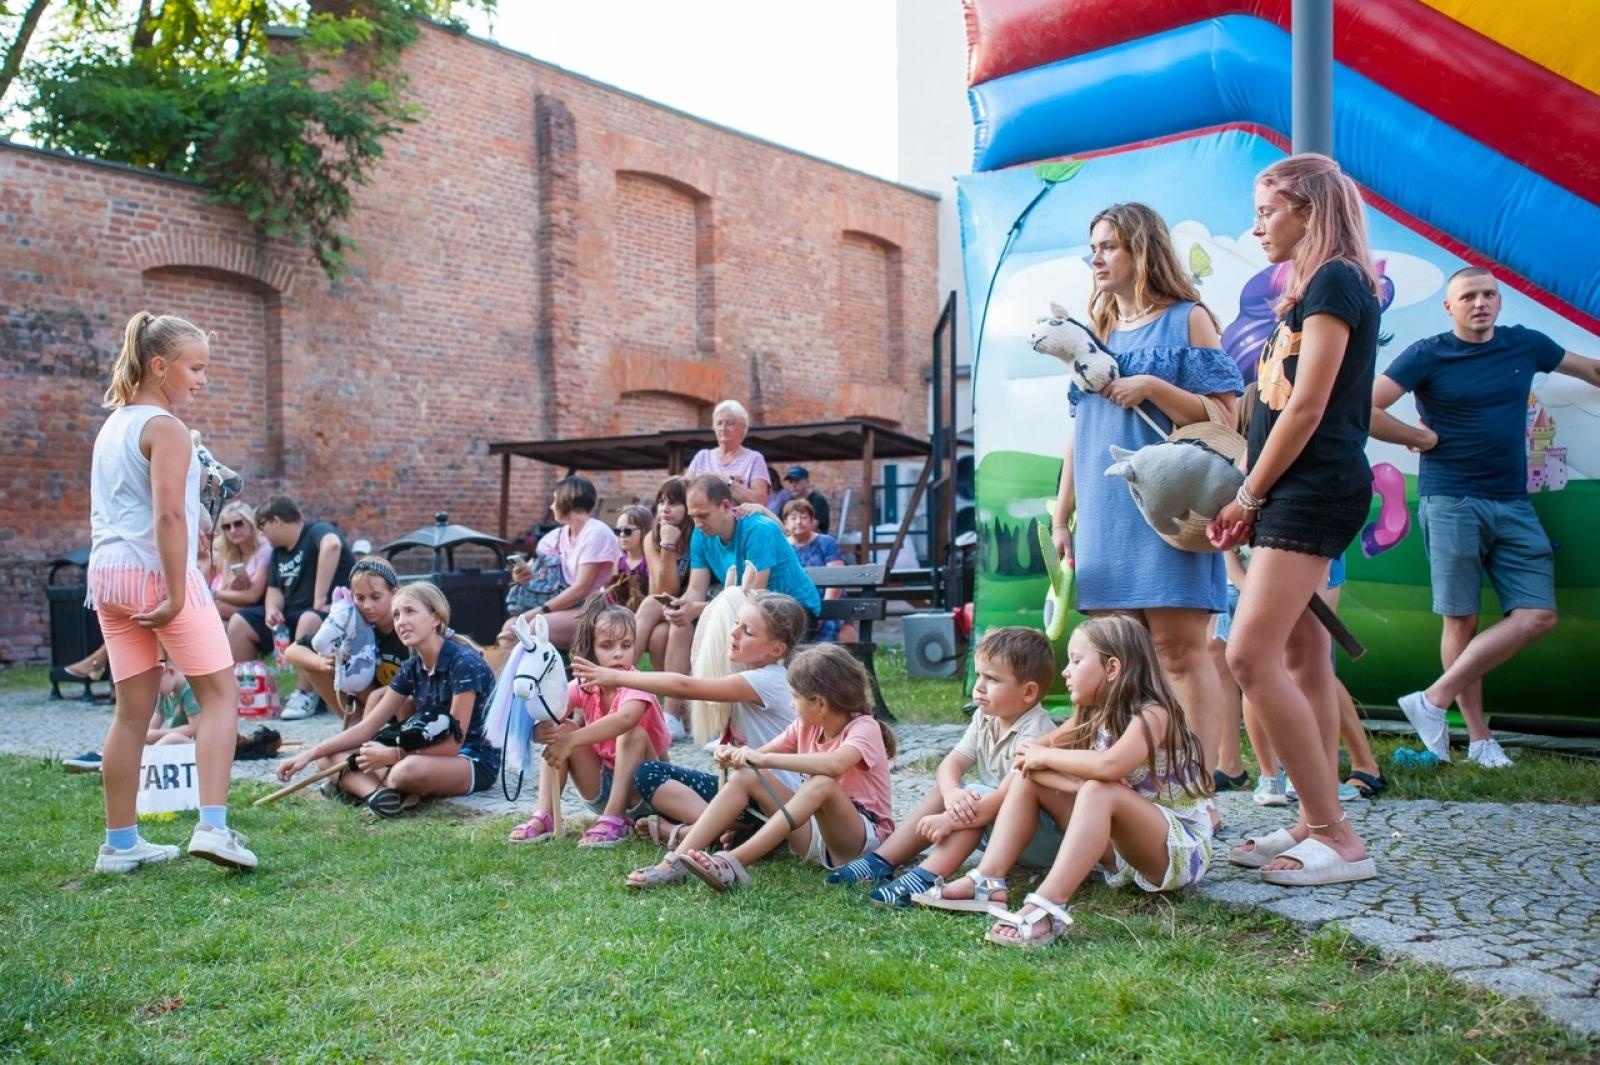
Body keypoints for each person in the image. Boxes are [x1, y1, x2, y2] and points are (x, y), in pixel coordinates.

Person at [1208, 153, 1383, 886]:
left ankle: (1338, 836)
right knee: (1303, 655)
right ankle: (1315, 820)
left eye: (1266, 211)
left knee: (1249, 656)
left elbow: (1308, 407)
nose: (1257, 228)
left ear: (1308, 210)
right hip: (1292, 491)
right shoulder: (1312, 286)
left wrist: (1249, 497)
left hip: (1312, 491)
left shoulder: (1336, 279)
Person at [1372, 266, 1600, 766]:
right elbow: (1367, 409)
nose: (1480, 303)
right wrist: (1417, 437)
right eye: (1469, 296)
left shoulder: (1526, 345)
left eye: (1489, 294)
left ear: (1499, 301)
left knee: (1537, 615)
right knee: (1462, 619)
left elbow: (1592, 371)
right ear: (1449, 307)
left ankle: (1431, 700)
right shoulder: (1427, 353)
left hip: (1514, 502)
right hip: (1450, 500)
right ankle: (1478, 740)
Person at [1048, 202, 1242, 778]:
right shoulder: (1096, 333)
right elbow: (1079, 432)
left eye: (1108, 246)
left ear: (1142, 249)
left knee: (1179, 654)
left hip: (1168, 511)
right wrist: (1062, 516)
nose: (1096, 258)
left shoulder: (1189, 319)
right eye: (1093, 247)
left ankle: (1194, 788)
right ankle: (1130, 784)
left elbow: (1225, 418)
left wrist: (1153, 386)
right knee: (1114, 659)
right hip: (1105, 516)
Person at [915, 617, 1213, 948]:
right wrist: (1072, 783)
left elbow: (1109, 765)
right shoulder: (1091, 715)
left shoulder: (1154, 715)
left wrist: (1052, 761)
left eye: (1075, 661)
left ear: (1112, 668)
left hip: (1171, 850)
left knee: (1098, 789)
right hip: (1118, 848)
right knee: (1036, 779)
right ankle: (988, 880)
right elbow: (1028, 758)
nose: (1065, 672)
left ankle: (1048, 905)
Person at [85, 311, 254, 873]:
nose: (203, 380)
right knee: (221, 696)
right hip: (155, 575)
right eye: (195, 368)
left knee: (131, 714)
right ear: (160, 366)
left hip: (108, 576)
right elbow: (167, 518)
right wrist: (179, 593)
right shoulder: (167, 428)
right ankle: (213, 828)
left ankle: (120, 844)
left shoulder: (114, 425)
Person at [627, 644, 896, 892]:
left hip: (859, 844)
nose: (791, 704)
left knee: (822, 782)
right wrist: (733, 755)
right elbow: (758, 757)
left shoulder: (865, 728)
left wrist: (765, 760)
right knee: (747, 776)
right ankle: (674, 864)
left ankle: (731, 863)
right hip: (813, 836)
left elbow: (834, 764)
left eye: (795, 697)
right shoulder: (805, 726)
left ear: (820, 704)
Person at [575, 591, 806, 877]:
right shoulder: (749, 677)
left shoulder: (767, 680)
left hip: (775, 800)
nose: (733, 633)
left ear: (776, 649)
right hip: (747, 797)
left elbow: (685, 686)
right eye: (736, 623)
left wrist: (617, 676)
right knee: (649, 773)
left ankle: (699, 831)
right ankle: (724, 827)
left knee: (669, 778)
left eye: (747, 631)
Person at [828, 627, 1058, 907]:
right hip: (994, 823)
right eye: (979, 675)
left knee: (973, 798)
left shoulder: (1037, 732)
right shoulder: (986, 717)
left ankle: (924, 877)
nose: (979, 686)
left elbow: (1004, 797)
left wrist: (950, 818)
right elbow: (952, 763)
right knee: (954, 791)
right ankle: (882, 860)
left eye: (992, 679)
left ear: (1028, 692)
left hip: (1037, 839)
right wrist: (951, 795)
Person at [274, 583, 498, 815]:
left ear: (435, 618)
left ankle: (364, 786)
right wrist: (309, 754)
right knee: (327, 758)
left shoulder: (463, 663)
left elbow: (454, 743)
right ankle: (380, 796)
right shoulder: (413, 666)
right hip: (422, 754)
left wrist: (393, 755)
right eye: (397, 615)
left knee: (404, 771)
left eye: (410, 611)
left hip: (470, 758)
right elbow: (367, 728)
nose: (401, 621)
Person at [652, 476, 821, 722]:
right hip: (748, 610)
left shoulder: (759, 529)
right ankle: (672, 716)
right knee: (680, 624)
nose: (697, 524)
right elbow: (696, 589)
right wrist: (684, 606)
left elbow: (754, 599)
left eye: (703, 515)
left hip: (794, 610)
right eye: (693, 516)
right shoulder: (700, 535)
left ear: (726, 506)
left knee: (733, 629)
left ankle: (725, 719)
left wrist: (697, 609)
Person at [508, 600, 672, 845]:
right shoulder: (583, 685)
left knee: (632, 733)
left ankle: (614, 818)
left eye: (626, 645)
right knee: (561, 729)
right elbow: (551, 713)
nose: (618, 653)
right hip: (601, 787)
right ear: (591, 649)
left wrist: (571, 741)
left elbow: (625, 719)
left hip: (648, 791)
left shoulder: (638, 684)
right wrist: (539, 731)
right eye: (606, 646)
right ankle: (545, 815)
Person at [227, 495, 355, 720]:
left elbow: (332, 545)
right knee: (240, 622)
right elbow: (274, 590)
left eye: (262, 527)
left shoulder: (316, 531)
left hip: (327, 616)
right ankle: (248, 693)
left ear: (276, 521)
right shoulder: (278, 552)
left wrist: (319, 597)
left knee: (308, 619)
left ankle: (305, 694)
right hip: (289, 618)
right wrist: (271, 610)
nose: (262, 535)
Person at [279, 557, 410, 723]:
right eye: (360, 598)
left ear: (395, 593)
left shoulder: (408, 626)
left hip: (404, 704)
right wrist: (321, 663)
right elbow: (291, 651)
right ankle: (356, 723)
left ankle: (379, 729)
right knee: (315, 663)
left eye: (375, 597)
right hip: (369, 704)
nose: (367, 606)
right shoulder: (352, 622)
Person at [503, 476, 620, 651]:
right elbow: (539, 575)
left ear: (567, 499)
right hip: (563, 607)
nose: (552, 506)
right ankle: (509, 670)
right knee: (509, 629)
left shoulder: (596, 533)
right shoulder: (555, 537)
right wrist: (523, 575)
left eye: (555, 499)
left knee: (536, 627)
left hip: (596, 608)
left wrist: (541, 610)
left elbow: (581, 588)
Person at [634, 476, 694, 670]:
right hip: (666, 606)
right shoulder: (652, 538)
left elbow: (671, 592)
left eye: (674, 503)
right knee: (658, 634)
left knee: (658, 630)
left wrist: (668, 545)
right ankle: (617, 675)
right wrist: (666, 543)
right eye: (661, 502)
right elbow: (662, 592)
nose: (665, 509)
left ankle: (615, 676)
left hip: (695, 605)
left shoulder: (699, 536)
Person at [783, 498, 854, 643]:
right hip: (794, 606)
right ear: (785, 523)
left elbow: (836, 578)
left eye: (804, 517)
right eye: (793, 518)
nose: (798, 522)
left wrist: (823, 612)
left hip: (827, 602)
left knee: (836, 629)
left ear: (812, 521)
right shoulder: (782, 546)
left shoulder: (826, 542)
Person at [685, 399, 770, 505]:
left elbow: (759, 501)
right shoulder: (702, 456)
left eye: (730, 423)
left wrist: (726, 481)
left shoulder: (754, 459)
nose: (723, 428)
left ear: (743, 427)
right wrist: (719, 479)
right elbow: (684, 488)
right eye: (719, 423)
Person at [209, 500, 271, 621]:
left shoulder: (265, 550)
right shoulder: (230, 555)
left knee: (213, 607)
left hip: (262, 611)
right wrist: (232, 588)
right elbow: (226, 592)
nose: (232, 530)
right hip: (238, 610)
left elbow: (252, 596)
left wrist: (212, 593)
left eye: (238, 524)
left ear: (251, 524)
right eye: (227, 527)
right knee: (212, 607)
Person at [769, 466, 831, 534]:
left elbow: (809, 528)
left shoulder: (818, 501)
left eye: (796, 481)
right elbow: (780, 524)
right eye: (791, 482)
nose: (793, 485)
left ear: (807, 482)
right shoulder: (789, 502)